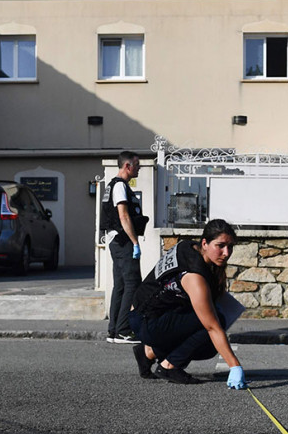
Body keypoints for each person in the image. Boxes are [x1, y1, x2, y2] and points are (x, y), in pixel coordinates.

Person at [128, 219, 248, 388]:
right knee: (214, 326)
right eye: (220, 246)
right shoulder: (194, 275)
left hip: (142, 314)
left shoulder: (188, 246)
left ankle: (149, 352)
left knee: (208, 335)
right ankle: (169, 366)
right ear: (205, 243)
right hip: (147, 322)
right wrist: (235, 366)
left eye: (230, 247)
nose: (226, 253)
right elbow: (212, 327)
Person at [102, 151, 149, 344]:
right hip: (123, 241)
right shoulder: (120, 186)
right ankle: (122, 330)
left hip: (117, 241)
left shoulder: (113, 185)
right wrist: (135, 242)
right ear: (127, 166)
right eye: (137, 165)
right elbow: (123, 216)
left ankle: (113, 330)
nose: (139, 168)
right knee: (132, 284)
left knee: (120, 286)